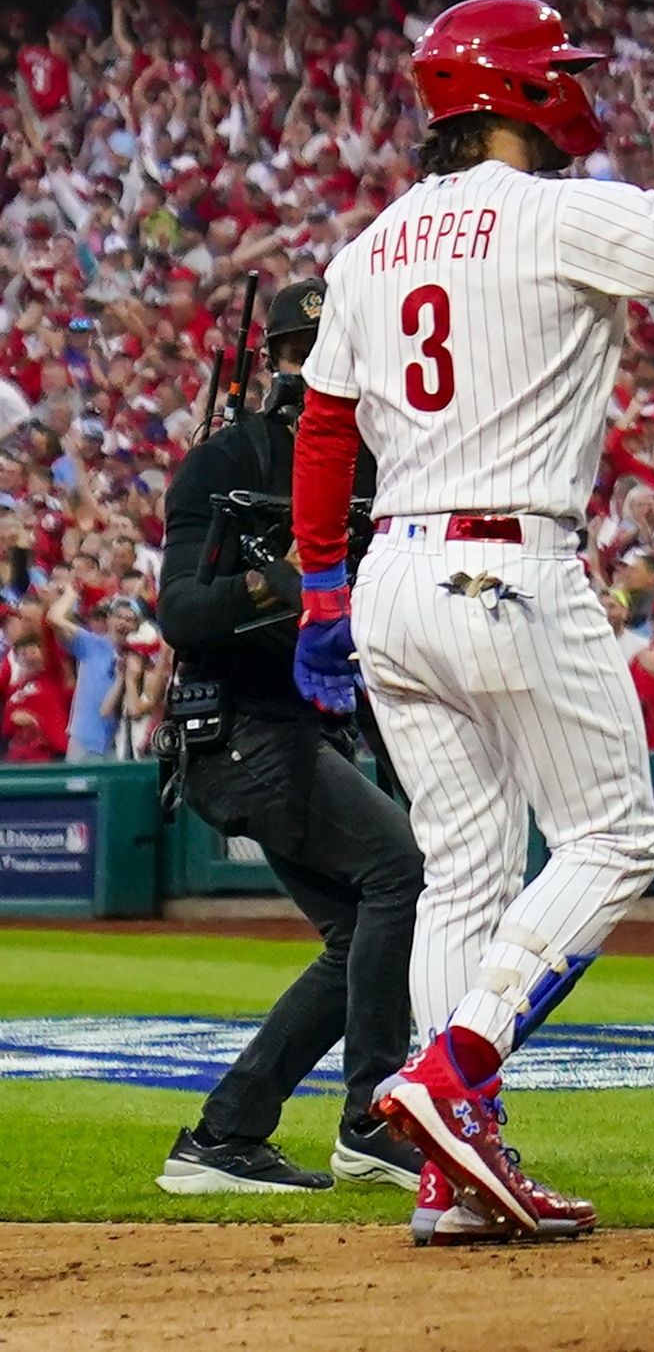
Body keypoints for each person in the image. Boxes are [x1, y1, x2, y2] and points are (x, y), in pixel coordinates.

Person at [292, 0, 654, 1244]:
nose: (581, 85)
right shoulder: (556, 211)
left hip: (392, 576)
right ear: (518, 91)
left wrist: (322, 594)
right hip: (510, 564)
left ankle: (446, 1175)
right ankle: (454, 1073)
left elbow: (323, 429)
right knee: (614, 840)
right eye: (563, 68)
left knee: (464, 869)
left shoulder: (370, 244)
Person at [151, 277, 425, 1199]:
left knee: (358, 932)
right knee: (398, 873)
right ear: (270, 360)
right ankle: (375, 1118)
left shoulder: (376, 467)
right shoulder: (223, 460)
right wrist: (285, 582)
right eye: (298, 353)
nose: (310, 370)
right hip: (235, 730)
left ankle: (223, 1136)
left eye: (326, 349)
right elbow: (182, 613)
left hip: (297, 733)